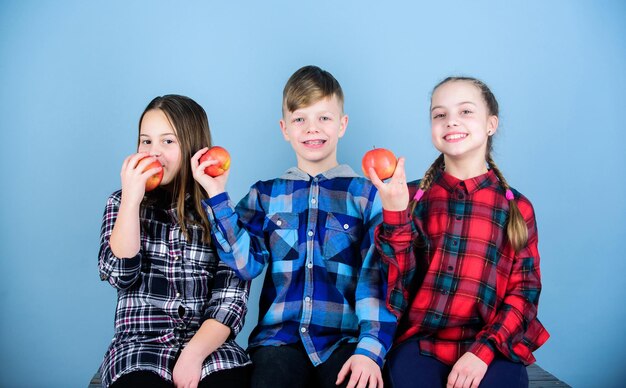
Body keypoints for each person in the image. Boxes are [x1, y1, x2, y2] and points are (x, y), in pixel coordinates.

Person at [191, 65, 396, 388]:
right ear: (285, 128)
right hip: (278, 342)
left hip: (344, 342)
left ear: (342, 125)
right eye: (300, 119)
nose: (312, 129)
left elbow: (376, 278)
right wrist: (216, 195)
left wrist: (370, 350)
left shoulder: (365, 195)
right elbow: (245, 264)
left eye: (324, 118)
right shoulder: (265, 194)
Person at [370, 77, 549, 388]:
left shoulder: (517, 208)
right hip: (421, 345)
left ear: (491, 124)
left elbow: (524, 293)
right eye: (439, 114)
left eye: (465, 111)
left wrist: (484, 351)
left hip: (493, 346)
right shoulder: (410, 197)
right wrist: (396, 214)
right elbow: (396, 286)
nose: (451, 121)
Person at [98, 95, 251, 388]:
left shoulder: (220, 212)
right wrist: (131, 201)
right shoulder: (121, 203)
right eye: (146, 141)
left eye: (168, 142)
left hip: (209, 349)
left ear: (192, 146)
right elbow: (120, 273)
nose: (154, 152)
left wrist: (193, 355)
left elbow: (231, 299)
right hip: (140, 350)